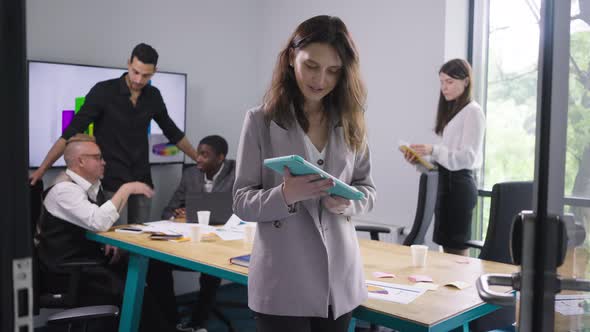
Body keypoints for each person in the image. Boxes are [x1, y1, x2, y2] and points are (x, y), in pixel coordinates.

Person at [232, 15, 376, 332]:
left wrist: (349, 203)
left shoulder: (352, 119)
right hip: (283, 279)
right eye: (311, 65)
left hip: (339, 280)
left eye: (333, 71)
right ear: (290, 58)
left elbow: (367, 188)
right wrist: (285, 195)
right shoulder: (260, 121)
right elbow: (241, 201)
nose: (320, 79)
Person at [30, 43, 199, 224]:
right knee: (115, 243)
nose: (139, 80)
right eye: (135, 72)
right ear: (128, 64)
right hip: (111, 181)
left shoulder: (153, 96)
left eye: (146, 75)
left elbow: (173, 132)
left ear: (155, 71)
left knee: (141, 241)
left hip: (141, 180)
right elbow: (70, 133)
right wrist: (41, 170)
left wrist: (198, 159)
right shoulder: (103, 91)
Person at [36, 134, 177, 332]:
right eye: (97, 157)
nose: (103, 162)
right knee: (132, 287)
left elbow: (92, 223)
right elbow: (99, 220)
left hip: (90, 260)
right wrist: (127, 189)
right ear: (81, 161)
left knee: (155, 266)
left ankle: (172, 324)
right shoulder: (64, 190)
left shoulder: (91, 188)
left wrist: (105, 241)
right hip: (68, 270)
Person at [402, 58, 485, 256]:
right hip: (446, 185)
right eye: (441, 82)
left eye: (449, 82)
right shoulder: (456, 112)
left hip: (459, 186)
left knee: (455, 252)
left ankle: (460, 286)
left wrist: (433, 150)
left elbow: (467, 158)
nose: (444, 87)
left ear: (465, 82)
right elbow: (449, 158)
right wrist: (421, 161)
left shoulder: (473, 112)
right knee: (447, 250)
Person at [162, 135, 235, 332]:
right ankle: (172, 321)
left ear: (220, 158)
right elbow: (168, 210)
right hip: (189, 244)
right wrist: (176, 215)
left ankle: (198, 323)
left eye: (205, 155)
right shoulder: (190, 175)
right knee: (155, 264)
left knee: (210, 265)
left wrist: (193, 211)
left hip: (221, 245)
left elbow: (236, 210)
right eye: (198, 153)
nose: (198, 159)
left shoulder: (236, 174)